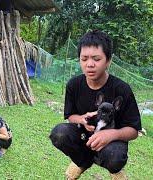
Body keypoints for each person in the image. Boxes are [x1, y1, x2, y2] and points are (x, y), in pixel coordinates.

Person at [49, 30, 141, 179]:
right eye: (84, 59)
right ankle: (82, 162)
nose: (89, 64)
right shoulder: (74, 85)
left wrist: (112, 134)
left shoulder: (122, 89)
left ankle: (115, 170)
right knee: (59, 133)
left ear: (108, 61)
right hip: (85, 136)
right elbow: (70, 116)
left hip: (111, 142)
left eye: (96, 59)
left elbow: (133, 130)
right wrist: (81, 119)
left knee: (114, 157)